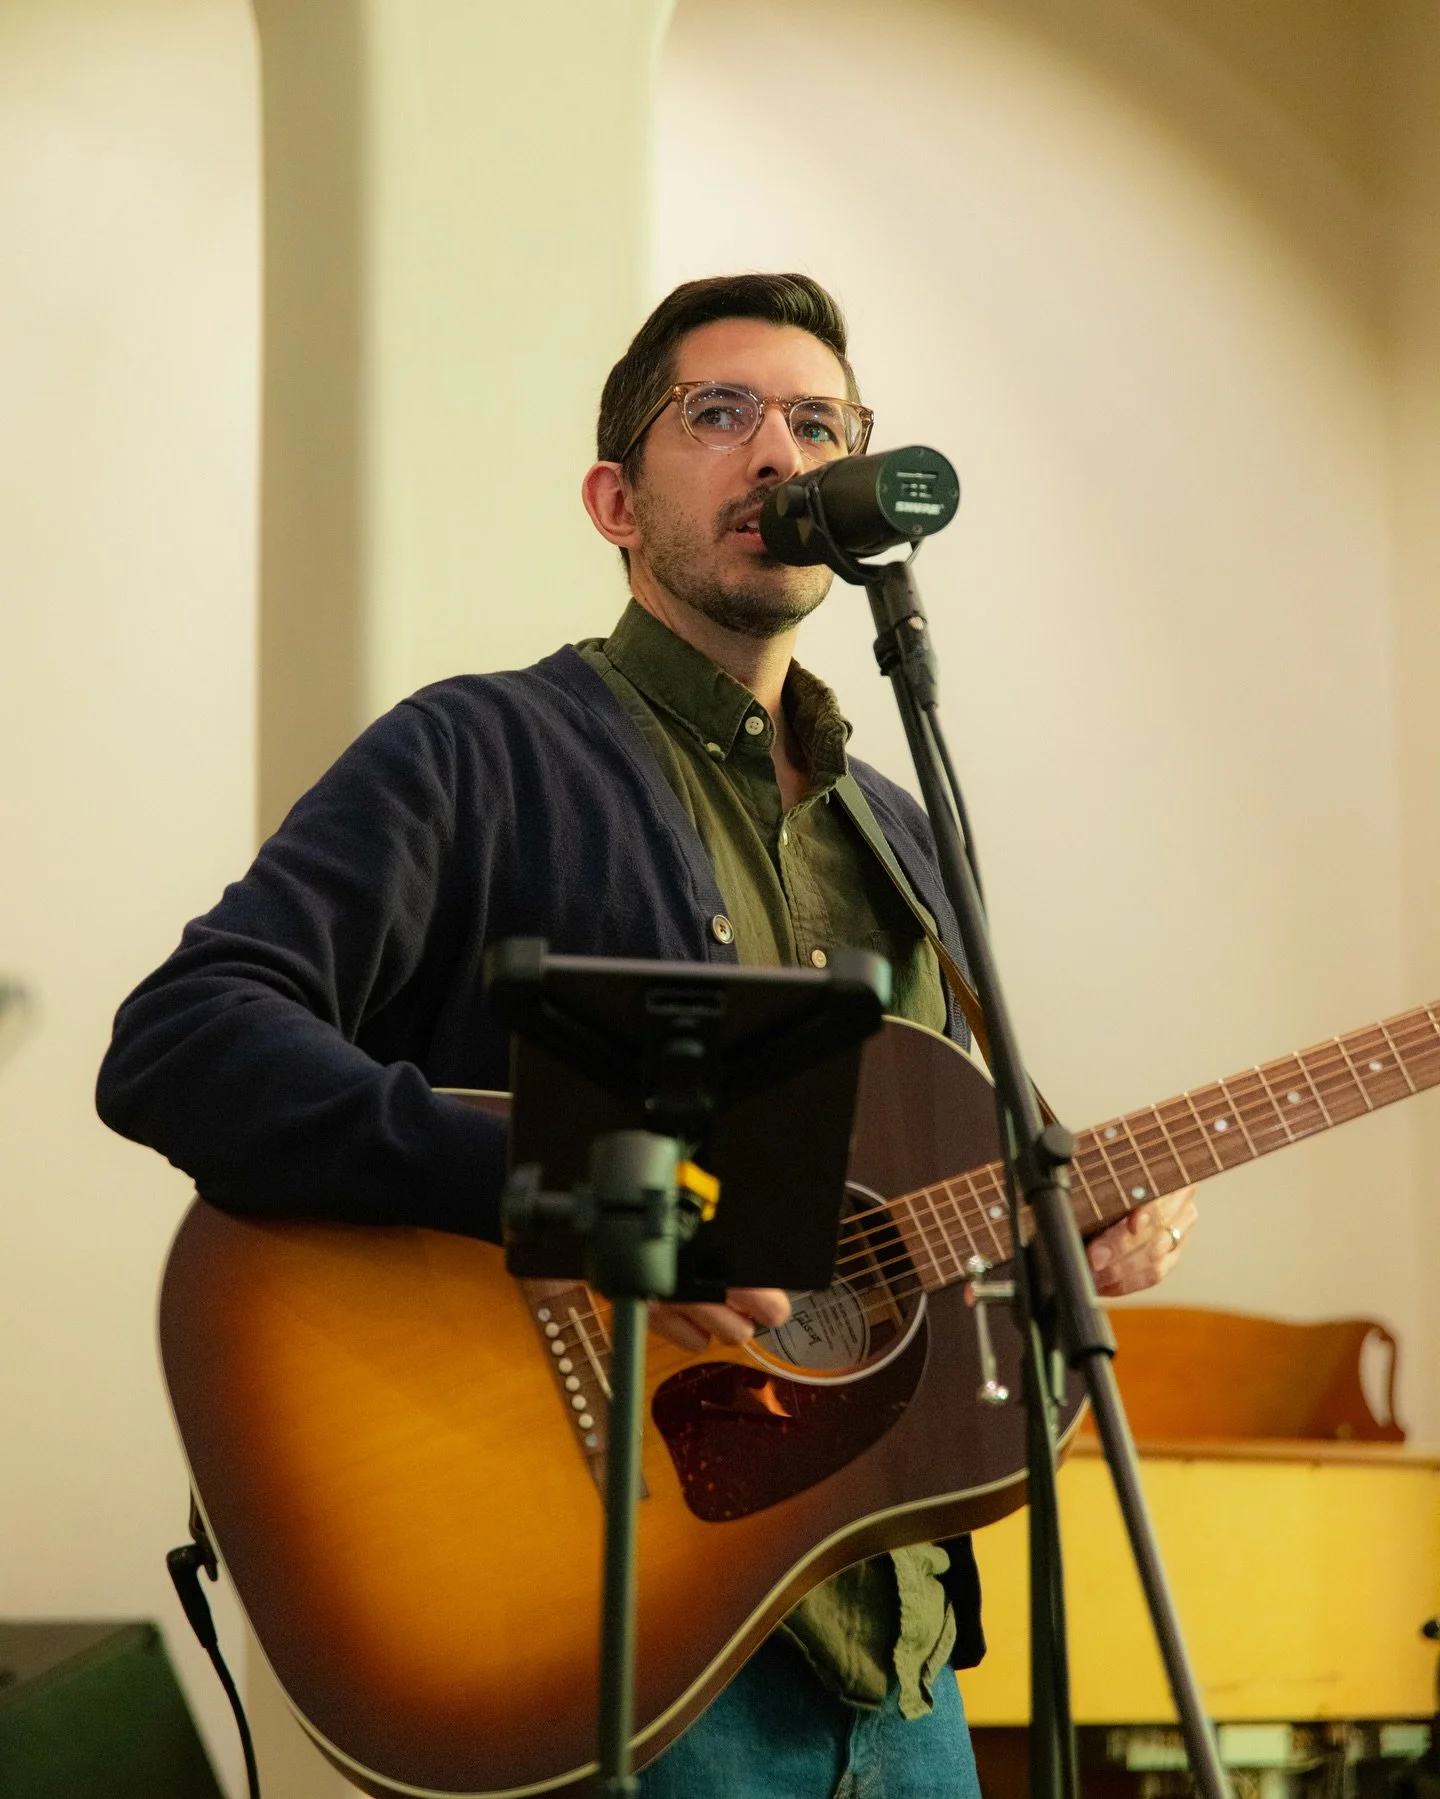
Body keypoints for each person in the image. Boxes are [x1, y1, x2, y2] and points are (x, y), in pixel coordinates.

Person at [97, 272, 1196, 1798]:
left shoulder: (902, 832)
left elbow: (879, 1227)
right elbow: (181, 1038)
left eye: (822, 422)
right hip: (623, 1638)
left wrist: (1076, 1232)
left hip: (899, 1654)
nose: (781, 454)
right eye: (723, 412)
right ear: (618, 499)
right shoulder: (480, 752)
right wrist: (592, 1187)